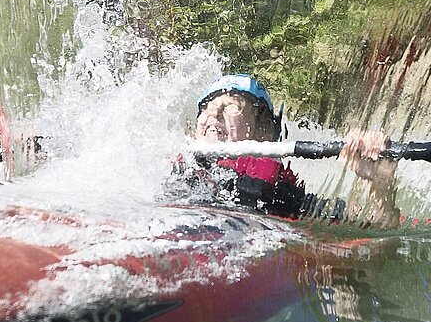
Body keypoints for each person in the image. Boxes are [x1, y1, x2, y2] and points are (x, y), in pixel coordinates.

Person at [164, 74, 400, 225]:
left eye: (232, 106)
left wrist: (380, 181)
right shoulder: (165, 166)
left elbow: (379, 224)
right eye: (206, 108)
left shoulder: (272, 190)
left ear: (263, 133)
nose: (213, 113)